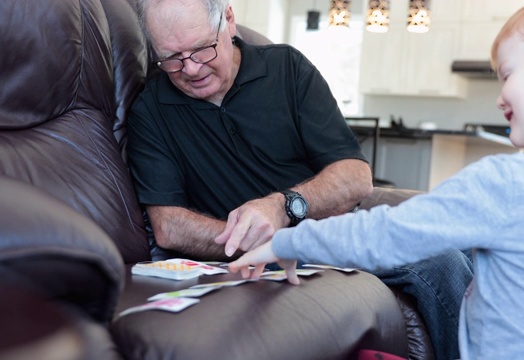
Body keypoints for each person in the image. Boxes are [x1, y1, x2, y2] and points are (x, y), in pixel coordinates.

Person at [229, 0, 524, 358]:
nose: (500, 96)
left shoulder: (510, 182)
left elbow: (385, 235)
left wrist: (287, 241)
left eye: (508, 74)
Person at [127, 0, 474, 359]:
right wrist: (259, 241)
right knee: (441, 264)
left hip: (329, 235)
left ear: (228, 21)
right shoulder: (150, 110)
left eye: (201, 49)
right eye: (172, 57)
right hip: (261, 259)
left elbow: (355, 177)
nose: (191, 68)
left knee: (467, 244)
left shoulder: (287, 69)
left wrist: (283, 206)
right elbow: (169, 226)